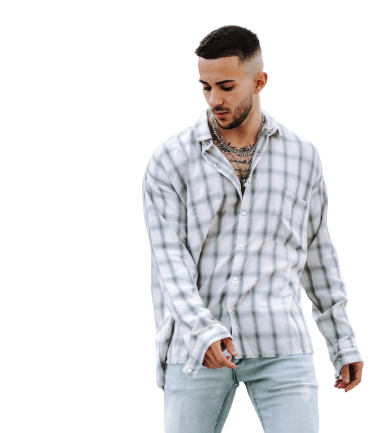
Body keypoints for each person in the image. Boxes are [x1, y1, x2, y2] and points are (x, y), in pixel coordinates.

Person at [142, 23, 364, 433]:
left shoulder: (302, 156)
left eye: (226, 86)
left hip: (281, 345)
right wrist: (201, 331)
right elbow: (169, 261)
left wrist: (342, 341)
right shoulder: (169, 160)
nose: (214, 99)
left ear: (260, 81)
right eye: (205, 87)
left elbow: (317, 254)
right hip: (196, 350)